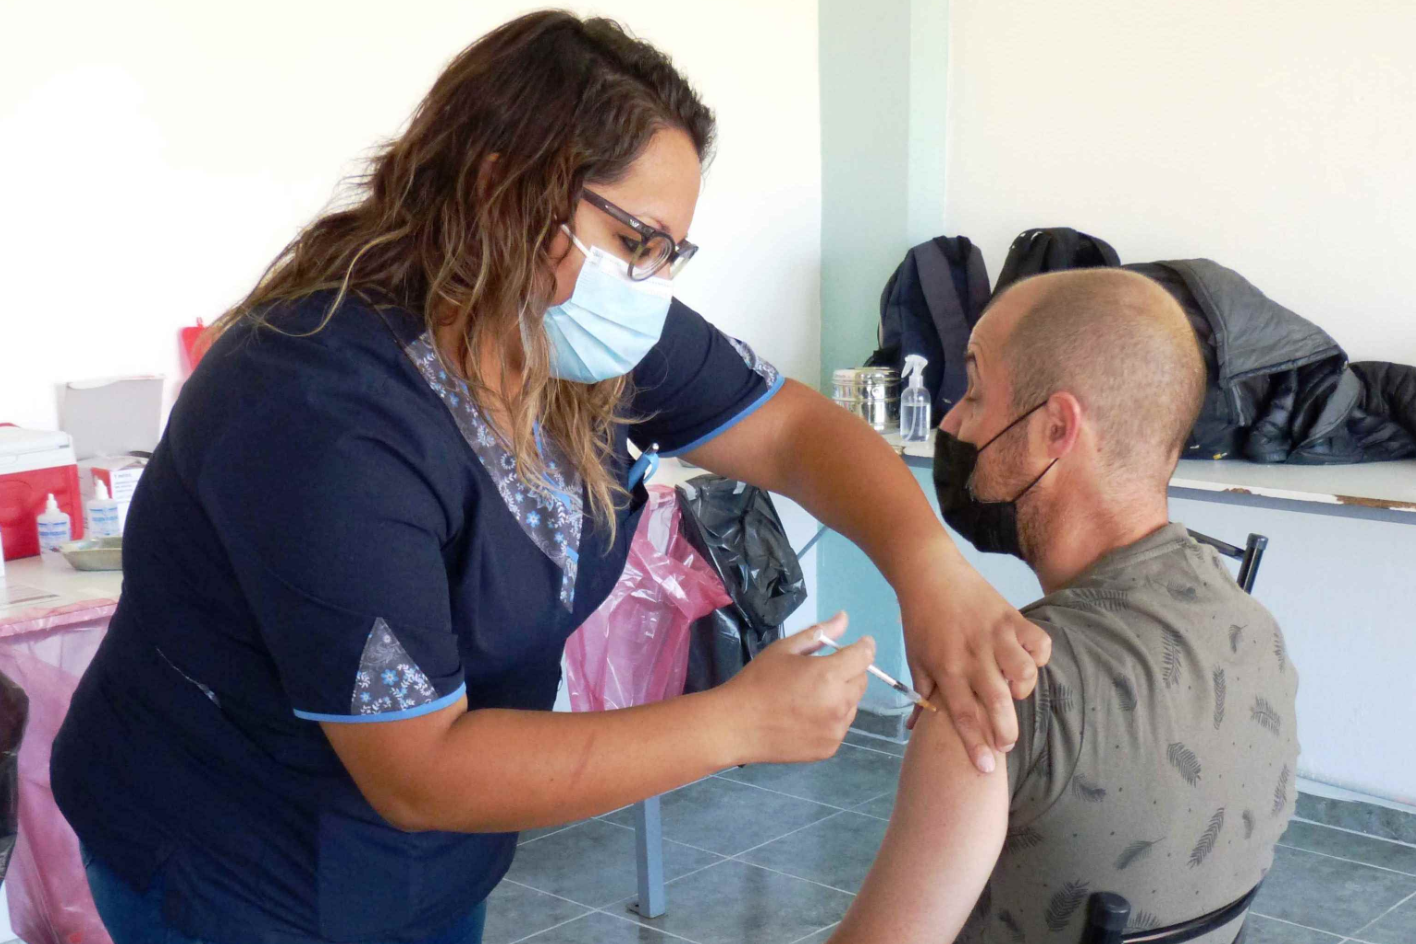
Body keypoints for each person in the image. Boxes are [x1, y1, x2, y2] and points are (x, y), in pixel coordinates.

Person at [51, 12, 1050, 944]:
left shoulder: (576, 334)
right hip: (237, 857)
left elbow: (790, 429)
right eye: (635, 242)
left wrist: (928, 564)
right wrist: (737, 721)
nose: (651, 283)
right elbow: (420, 767)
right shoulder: (321, 412)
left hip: (427, 847)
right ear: (503, 189)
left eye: (670, 251)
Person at [830, 269, 1300, 944]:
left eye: (976, 393)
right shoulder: (1259, 635)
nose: (952, 420)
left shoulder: (999, 698)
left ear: (1056, 428)